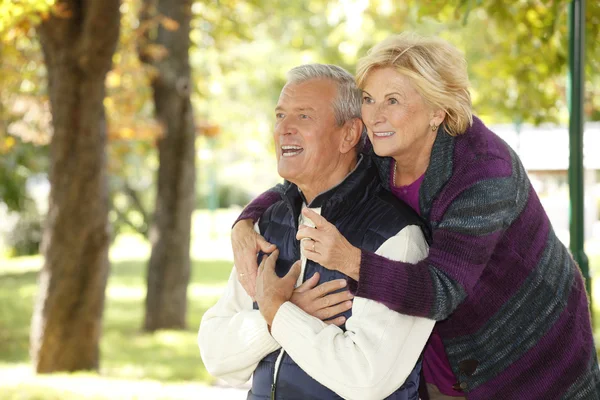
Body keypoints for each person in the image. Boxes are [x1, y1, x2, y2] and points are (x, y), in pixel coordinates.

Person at [230, 33, 600, 400]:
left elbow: (440, 290)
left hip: (530, 355)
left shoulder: (484, 172)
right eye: (369, 99)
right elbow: (314, 173)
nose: (375, 116)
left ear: (437, 110)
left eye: (393, 100)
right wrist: (246, 220)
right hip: (444, 362)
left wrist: (349, 259)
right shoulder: (380, 147)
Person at [199, 64, 435, 400]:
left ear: (349, 135)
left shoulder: (398, 236)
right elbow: (216, 355)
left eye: (304, 116)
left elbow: (366, 378)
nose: (284, 128)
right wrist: (280, 314)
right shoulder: (267, 225)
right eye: (280, 115)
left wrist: (278, 313)